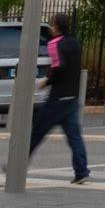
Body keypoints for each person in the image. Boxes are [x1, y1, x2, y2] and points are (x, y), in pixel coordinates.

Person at [27, 11, 90, 183]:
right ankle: (81, 171)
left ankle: (17, 165)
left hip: (57, 98)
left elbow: (59, 67)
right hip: (72, 97)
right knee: (74, 137)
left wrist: (46, 81)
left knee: (37, 132)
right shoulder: (75, 43)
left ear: (55, 26)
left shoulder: (54, 44)